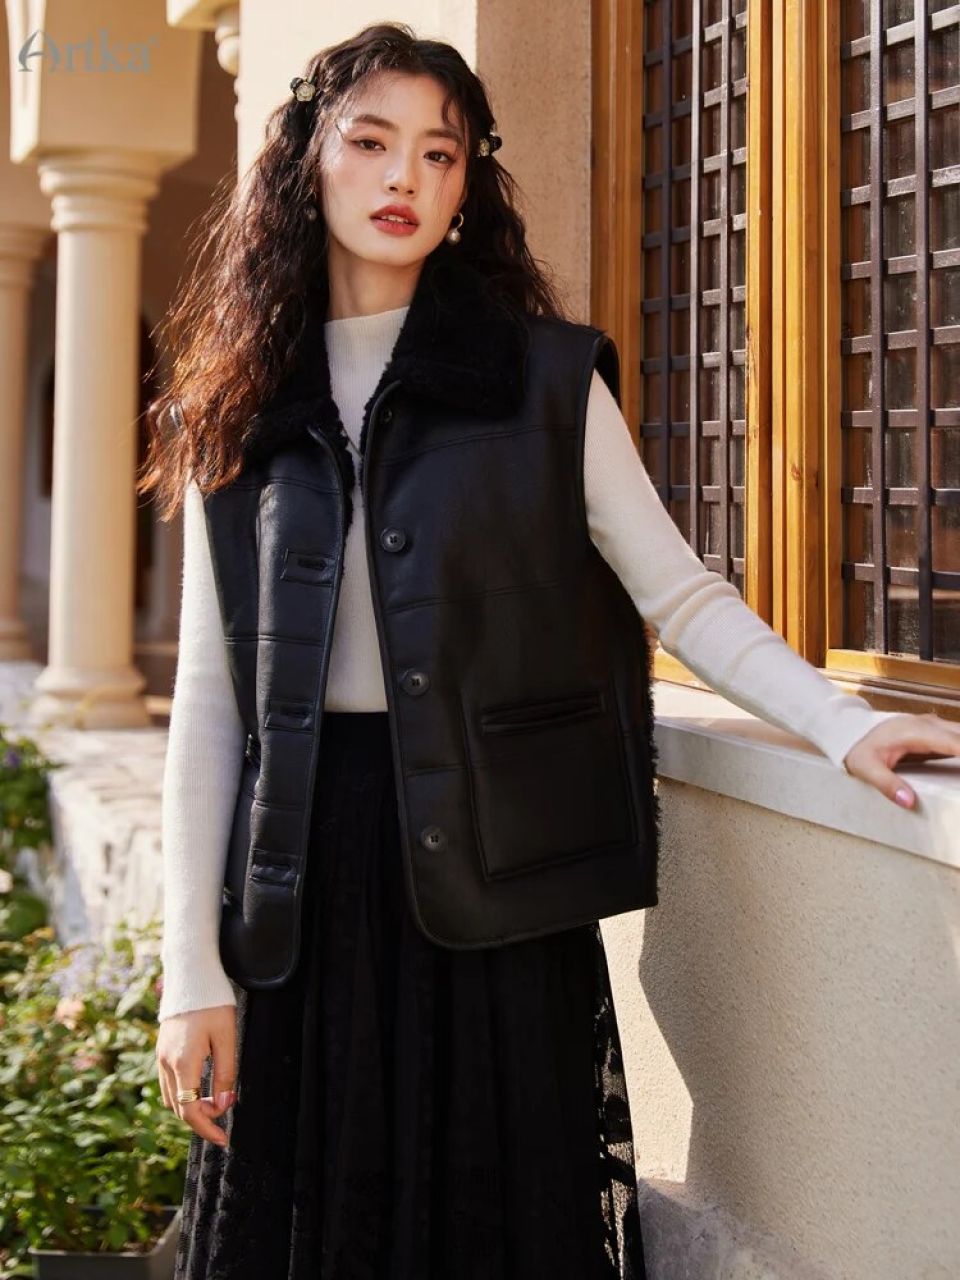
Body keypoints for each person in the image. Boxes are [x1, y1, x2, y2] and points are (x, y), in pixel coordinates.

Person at [138, 21, 960, 1280]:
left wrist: (844, 722)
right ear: (307, 160)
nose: (404, 177)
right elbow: (211, 702)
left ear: (469, 185)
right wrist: (188, 970)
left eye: (440, 153)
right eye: (371, 143)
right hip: (302, 884)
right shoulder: (237, 404)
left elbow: (682, 597)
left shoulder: (544, 381)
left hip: (492, 884)